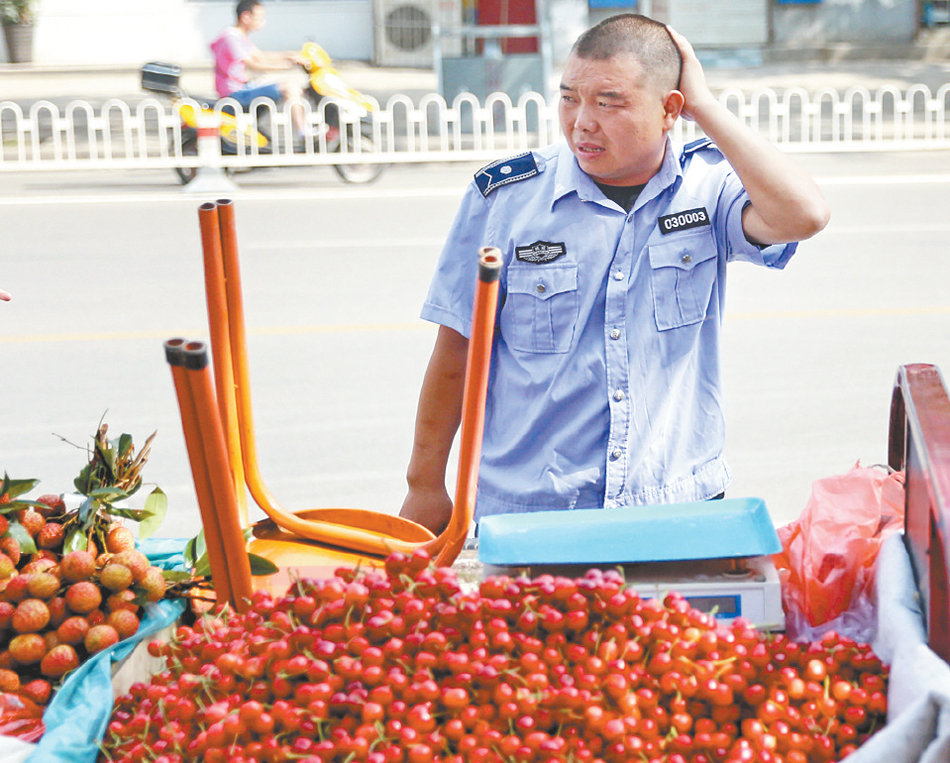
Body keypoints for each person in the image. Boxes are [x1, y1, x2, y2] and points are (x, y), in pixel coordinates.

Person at [398, 14, 830, 535]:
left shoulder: (706, 188)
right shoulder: (506, 198)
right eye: (569, 98)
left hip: (677, 502)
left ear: (671, 108)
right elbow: (457, 349)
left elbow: (804, 214)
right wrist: (425, 485)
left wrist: (708, 108)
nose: (582, 121)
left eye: (609, 102)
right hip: (534, 509)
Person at [210, 0, 315, 143]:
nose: (262, 22)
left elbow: (261, 55)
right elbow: (255, 64)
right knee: (290, 86)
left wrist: (293, 55)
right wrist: (288, 66)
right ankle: (303, 131)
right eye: (259, 18)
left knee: (288, 85)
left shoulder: (239, 36)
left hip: (242, 88)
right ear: (246, 17)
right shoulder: (231, 38)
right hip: (235, 93)